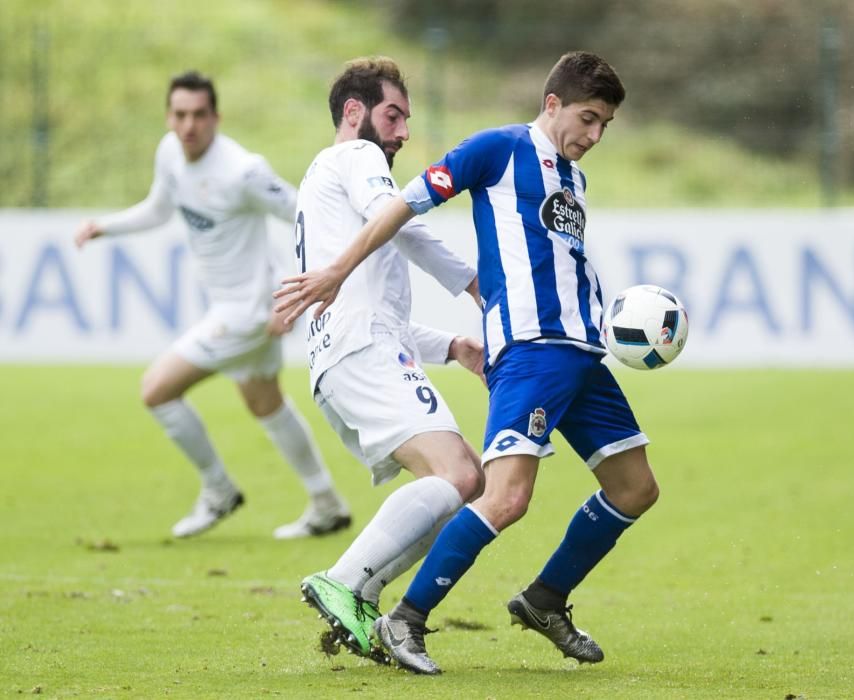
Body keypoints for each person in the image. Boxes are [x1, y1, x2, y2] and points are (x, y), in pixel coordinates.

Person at [274, 51, 662, 675]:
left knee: (634, 486)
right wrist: (346, 272)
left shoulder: (572, 179)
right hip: (531, 349)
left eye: (605, 127)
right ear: (552, 103)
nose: (594, 136)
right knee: (493, 492)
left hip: (580, 353)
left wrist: (454, 344)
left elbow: (395, 299)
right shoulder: (488, 149)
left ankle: (544, 598)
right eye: (587, 118)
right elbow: (402, 211)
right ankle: (396, 611)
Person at [74, 70, 352, 540]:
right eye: (180, 115)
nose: (189, 126)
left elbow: (304, 214)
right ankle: (326, 503)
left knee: (156, 390)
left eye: (199, 115)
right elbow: (159, 209)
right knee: (266, 404)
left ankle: (218, 490)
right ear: (169, 116)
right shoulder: (169, 153)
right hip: (237, 307)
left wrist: (298, 294)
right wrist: (104, 227)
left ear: (216, 117)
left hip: (246, 314)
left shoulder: (244, 171)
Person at [284, 57, 485, 662]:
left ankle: (362, 599)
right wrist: (477, 284)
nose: (400, 133)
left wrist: (450, 345)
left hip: (344, 356)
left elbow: (378, 308)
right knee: (459, 477)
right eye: (392, 115)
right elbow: (398, 220)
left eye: (405, 120)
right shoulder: (355, 157)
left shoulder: (320, 180)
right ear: (354, 112)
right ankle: (345, 581)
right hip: (360, 352)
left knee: (467, 482)